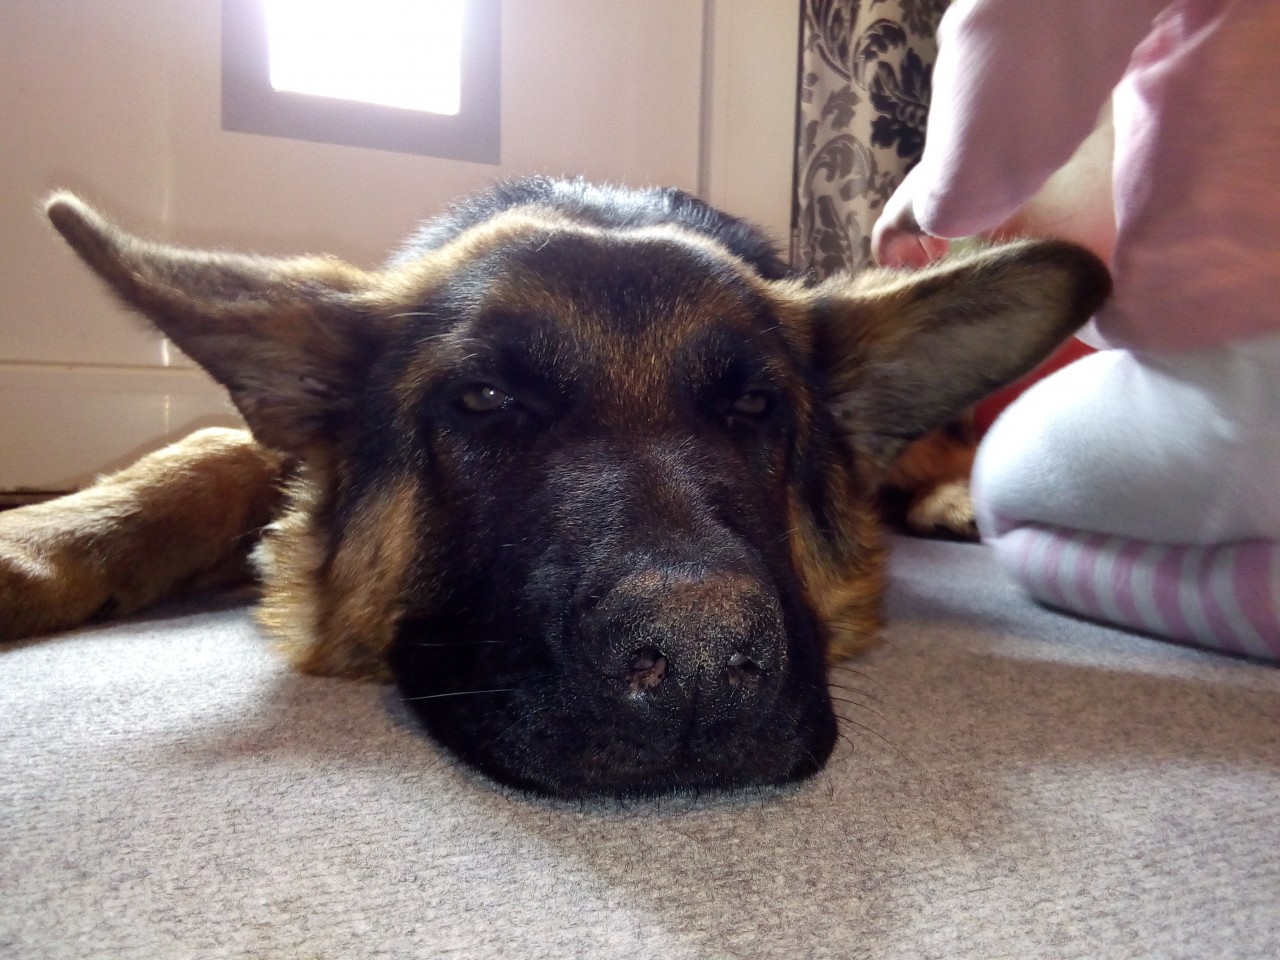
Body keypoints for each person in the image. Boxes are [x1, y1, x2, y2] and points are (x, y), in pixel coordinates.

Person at [872, 0, 1280, 660]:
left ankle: (1259, 600)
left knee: (1005, 486)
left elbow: (1017, 26)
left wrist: (933, 201)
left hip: (1241, 380)